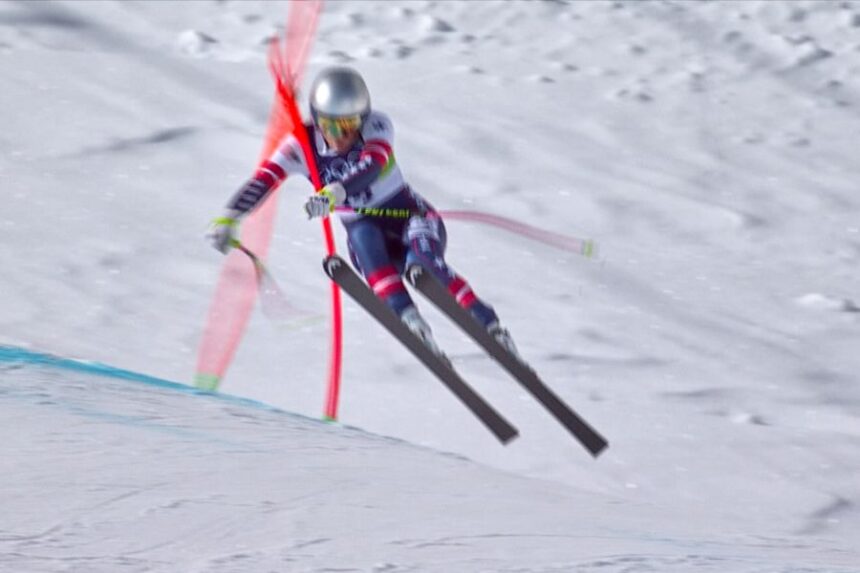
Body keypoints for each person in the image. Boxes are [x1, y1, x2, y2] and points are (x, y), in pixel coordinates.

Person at [207, 66, 520, 359]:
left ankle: (489, 324)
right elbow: (264, 180)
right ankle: (411, 321)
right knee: (363, 242)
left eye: (350, 125)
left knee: (423, 261)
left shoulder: (377, 126)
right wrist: (230, 216)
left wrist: (334, 192)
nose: (342, 136)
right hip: (366, 232)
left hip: (411, 219)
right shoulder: (300, 146)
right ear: (317, 121)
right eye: (332, 126)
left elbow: (372, 165)